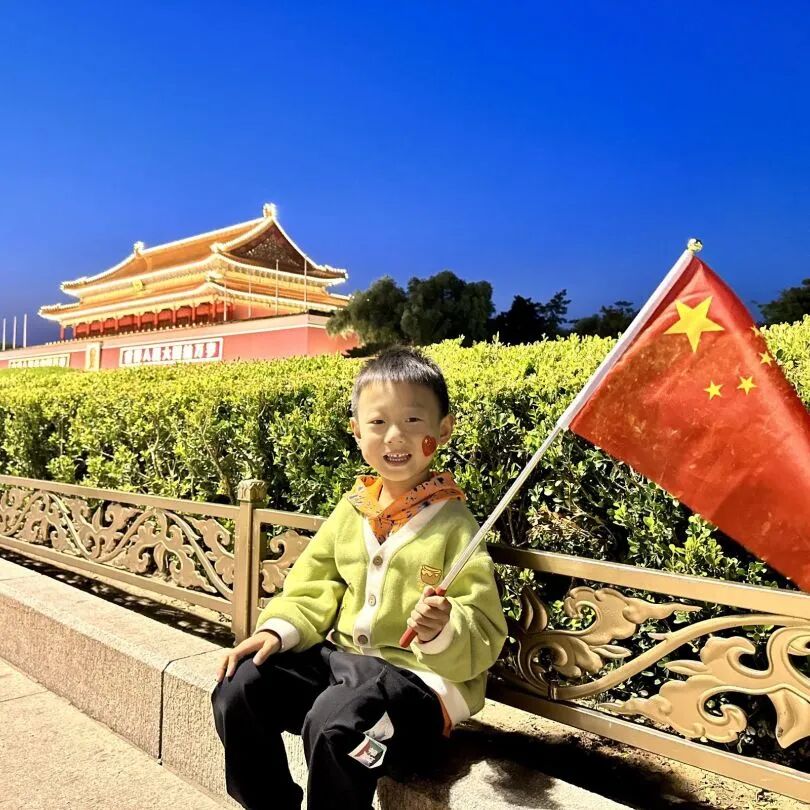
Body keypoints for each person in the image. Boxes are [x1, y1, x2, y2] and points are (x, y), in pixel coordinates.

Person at [211, 346, 508, 810]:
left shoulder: (456, 526)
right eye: (378, 422)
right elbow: (313, 584)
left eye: (413, 420)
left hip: (416, 687)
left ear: (443, 429)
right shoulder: (354, 509)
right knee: (241, 686)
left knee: (338, 724)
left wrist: (442, 630)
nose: (395, 436)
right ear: (356, 432)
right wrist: (277, 631)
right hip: (345, 667)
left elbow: (485, 630)